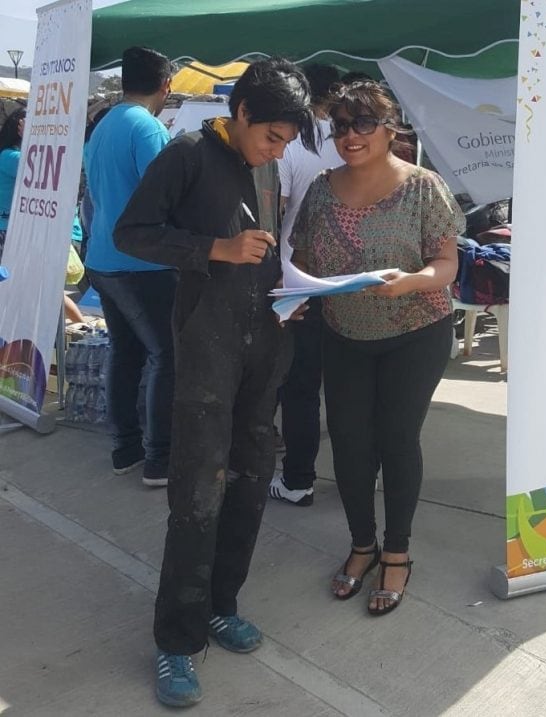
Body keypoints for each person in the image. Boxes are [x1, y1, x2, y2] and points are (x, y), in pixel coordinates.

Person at [113, 57, 317, 708]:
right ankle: (176, 640)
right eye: (273, 138)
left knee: (253, 480)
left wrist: (291, 291)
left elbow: (265, 245)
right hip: (206, 349)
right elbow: (131, 233)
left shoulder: (267, 165)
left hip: (265, 340)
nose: (278, 152)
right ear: (242, 112)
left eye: (287, 143)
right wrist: (212, 249)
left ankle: (222, 605)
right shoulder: (187, 154)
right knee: (198, 495)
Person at [290, 81, 464, 616]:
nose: (351, 136)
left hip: (416, 331)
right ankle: (361, 544)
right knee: (348, 444)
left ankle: (397, 551)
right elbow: (303, 261)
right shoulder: (321, 188)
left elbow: (447, 265)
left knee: (395, 438)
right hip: (344, 333)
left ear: (390, 129)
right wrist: (296, 295)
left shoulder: (423, 187)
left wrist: (411, 282)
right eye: (341, 126)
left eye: (364, 123)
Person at [84, 46, 174, 487]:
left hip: (103, 258)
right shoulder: (148, 128)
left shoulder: (103, 126)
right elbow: (166, 196)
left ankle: (125, 448)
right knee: (166, 355)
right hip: (142, 264)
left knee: (126, 352)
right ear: (166, 85)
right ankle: (160, 458)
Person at [269, 63, 343, 507]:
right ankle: (362, 477)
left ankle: (298, 480)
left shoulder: (292, 144)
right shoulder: (356, 140)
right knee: (347, 385)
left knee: (297, 387)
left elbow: (273, 213)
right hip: (349, 281)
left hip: (295, 280)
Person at [0, 108, 87, 319]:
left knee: (40, 291)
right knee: (35, 291)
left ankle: (81, 327)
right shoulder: (10, 156)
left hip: (23, 233)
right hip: (12, 234)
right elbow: (44, 168)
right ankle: (82, 327)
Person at [0, 108, 25, 261]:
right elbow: (38, 167)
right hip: (5, 228)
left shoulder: (6, 154)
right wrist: (31, 138)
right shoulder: (11, 157)